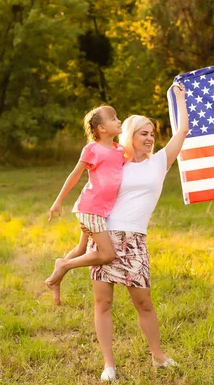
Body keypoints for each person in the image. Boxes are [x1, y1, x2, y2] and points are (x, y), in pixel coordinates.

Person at [61, 84, 188, 382]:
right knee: (103, 303)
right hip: (107, 234)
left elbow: (182, 131)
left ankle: (158, 356)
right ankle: (109, 364)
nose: (149, 137)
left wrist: (179, 98)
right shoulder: (116, 161)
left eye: (152, 133)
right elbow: (94, 192)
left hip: (135, 241)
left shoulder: (160, 163)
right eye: (143, 132)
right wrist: (85, 235)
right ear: (129, 135)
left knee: (143, 301)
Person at [45, 105, 124, 306]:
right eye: (113, 118)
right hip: (91, 208)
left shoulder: (119, 150)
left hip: (102, 211)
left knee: (81, 249)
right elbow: (75, 175)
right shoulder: (92, 149)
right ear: (101, 129)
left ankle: (55, 280)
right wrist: (58, 200)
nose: (119, 120)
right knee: (107, 254)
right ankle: (64, 265)